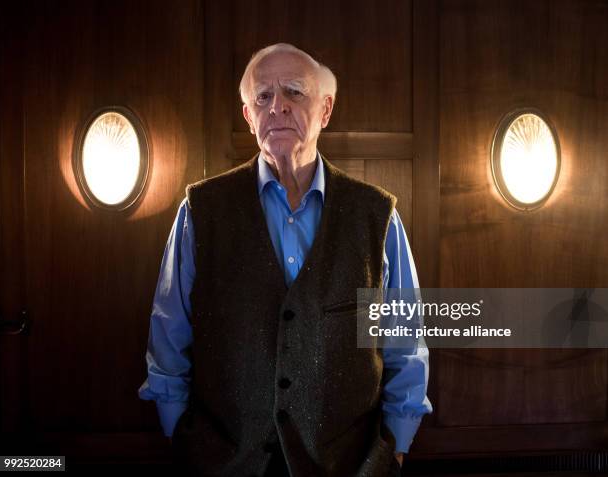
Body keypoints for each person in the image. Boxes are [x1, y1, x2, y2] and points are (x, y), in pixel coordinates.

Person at [138, 43, 432, 477]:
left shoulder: (377, 217)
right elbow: (168, 337)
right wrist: (183, 439)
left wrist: (395, 450)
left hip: (349, 467)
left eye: (294, 93)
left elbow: (405, 345)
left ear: (325, 110)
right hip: (222, 464)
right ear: (248, 115)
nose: (277, 107)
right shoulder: (200, 212)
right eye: (263, 96)